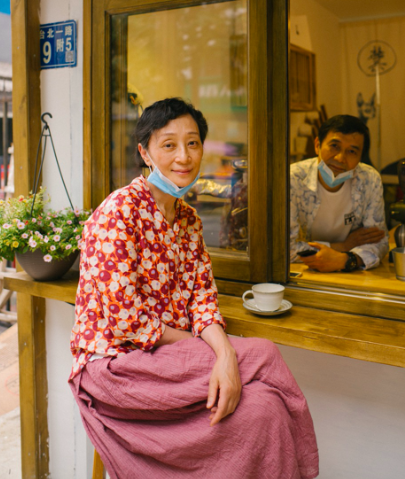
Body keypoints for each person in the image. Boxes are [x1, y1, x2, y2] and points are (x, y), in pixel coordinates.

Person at [69, 97, 319, 479]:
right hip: (118, 367)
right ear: (145, 152)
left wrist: (224, 354)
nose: (183, 156)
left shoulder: (188, 220)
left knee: (265, 407)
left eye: (193, 142)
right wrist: (211, 351)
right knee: (264, 353)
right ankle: (308, 469)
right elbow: (128, 323)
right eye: (168, 144)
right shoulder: (118, 211)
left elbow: (203, 299)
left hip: (170, 364)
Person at [290, 114, 388, 273]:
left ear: (360, 159)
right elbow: (283, 248)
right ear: (317, 145)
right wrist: (343, 247)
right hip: (303, 272)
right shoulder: (293, 179)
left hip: (351, 275)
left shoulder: (369, 180)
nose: (340, 158)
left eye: (351, 151)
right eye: (334, 146)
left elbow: (379, 242)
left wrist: (345, 260)